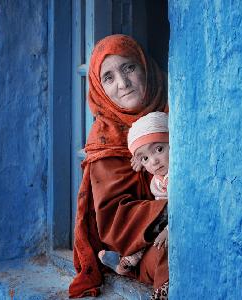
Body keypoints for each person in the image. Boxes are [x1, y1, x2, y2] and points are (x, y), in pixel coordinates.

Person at [68, 35, 169, 300]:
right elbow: (114, 218)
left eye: (129, 68)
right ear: (99, 88)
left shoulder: (177, 107)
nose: (123, 84)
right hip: (139, 247)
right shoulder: (105, 137)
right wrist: (172, 211)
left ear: (144, 66)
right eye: (109, 78)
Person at [98, 112, 169, 276]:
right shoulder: (157, 175)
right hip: (160, 220)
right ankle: (126, 261)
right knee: (141, 225)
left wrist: (168, 231)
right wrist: (141, 157)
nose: (154, 162)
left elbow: (182, 207)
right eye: (145, 158)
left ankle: (126, 262)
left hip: (170, 223)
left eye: (159, 149)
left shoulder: (176, 177)